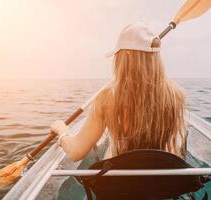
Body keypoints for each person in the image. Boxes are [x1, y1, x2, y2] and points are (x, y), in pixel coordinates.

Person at [50, 21, 188, 162]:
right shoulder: (176, 95)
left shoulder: (108, 98)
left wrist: (62, 132)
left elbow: (76, 153)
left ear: (124, 56)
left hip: (121, 180)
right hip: (164, 179)